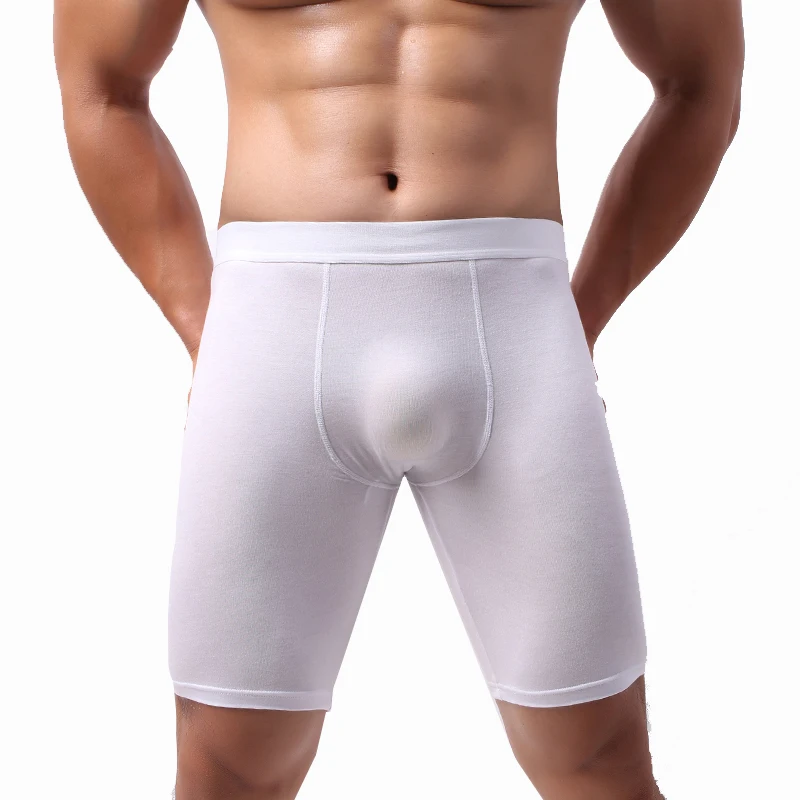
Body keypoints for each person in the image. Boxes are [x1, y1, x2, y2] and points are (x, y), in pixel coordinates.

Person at [54, 0, 744, 797]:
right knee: (226, 771)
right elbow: (100, 84)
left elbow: (702, 83)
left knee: (600, 765)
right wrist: (203, 323)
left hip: (515, 325)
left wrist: (579, 314)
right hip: (275, 326)